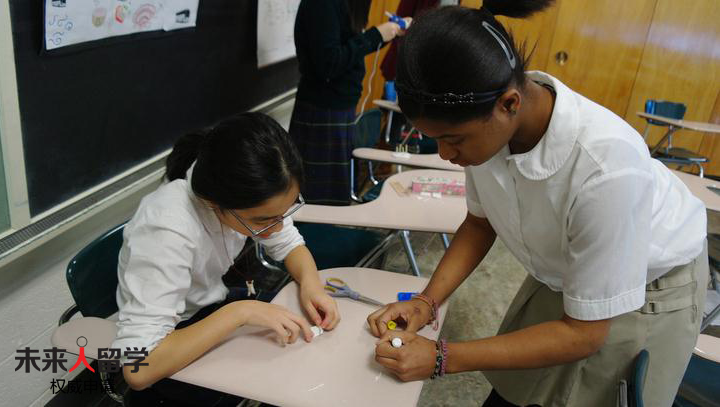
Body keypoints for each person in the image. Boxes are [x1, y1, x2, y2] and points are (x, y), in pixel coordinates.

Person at [367, 3, 708, 406]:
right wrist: (426, 302)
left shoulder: (606, 168)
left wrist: (443, 356)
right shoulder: (487, 125)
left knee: (585, 395)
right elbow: (480, 223)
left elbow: (584, 333)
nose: (445, 155)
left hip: (649, 288)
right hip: (566, 269)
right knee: (516, 392)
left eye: (454, 140)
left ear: (509, 104)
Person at [111, 112, 340, 405]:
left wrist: (311, 285)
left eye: (285, 213)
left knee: (304, 355)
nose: (279, 226)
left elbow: (290, 245)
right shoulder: (166, 228)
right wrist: (240, 313)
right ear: (214, 204)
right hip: (171, 341)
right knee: (282, 374)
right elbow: (138, 369)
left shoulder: (240, 195)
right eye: (266, 220)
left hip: (212, 308)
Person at [290, 0, 409, 205]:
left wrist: (387, 33)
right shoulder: (322, 5)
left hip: (340, 107)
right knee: (314, 199)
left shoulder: (347, 5)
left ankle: (324, 234)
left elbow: (347, 48)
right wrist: (376, 35)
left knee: (334, 198)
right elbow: (329, 64)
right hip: (322, 109)